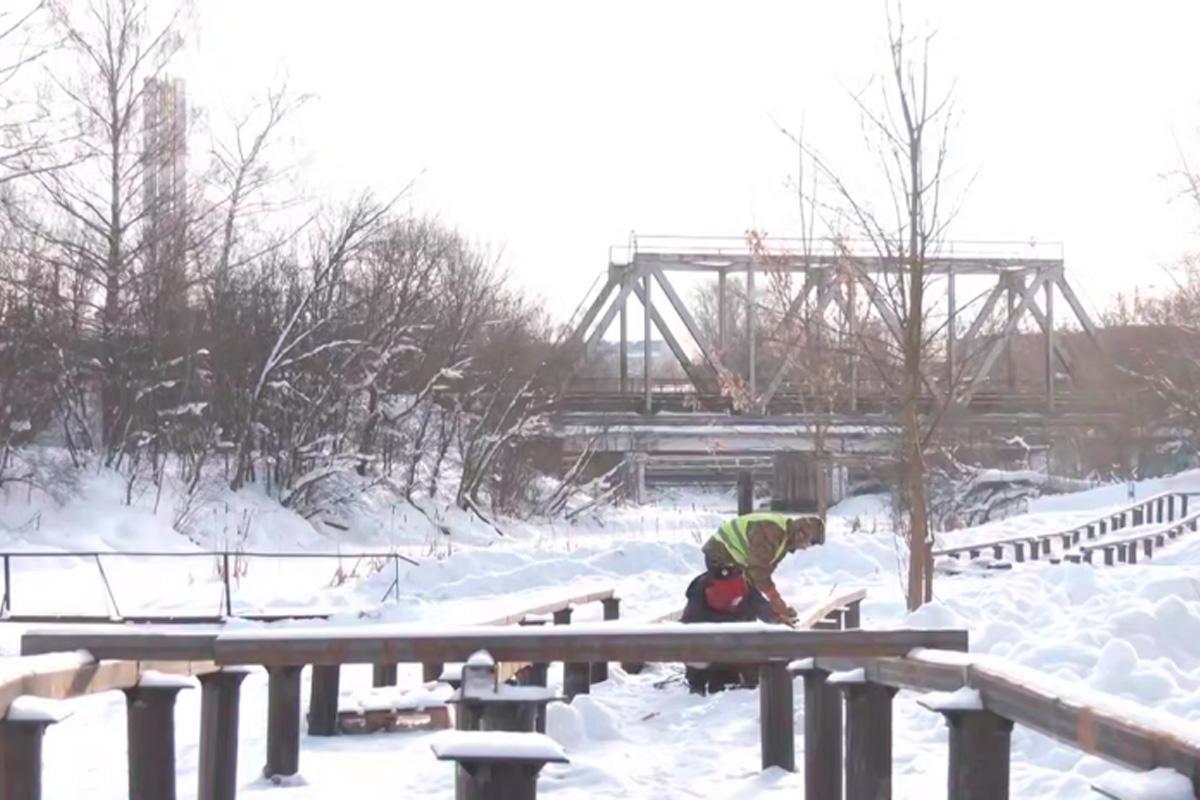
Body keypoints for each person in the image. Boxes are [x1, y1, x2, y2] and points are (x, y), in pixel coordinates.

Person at [680, 512, 824, 694]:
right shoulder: (772, 531)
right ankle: (725, 667)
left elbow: (761, 575)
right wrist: (775, 602)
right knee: (735, 601)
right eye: (809, 543)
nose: (805, 548)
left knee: (745, 599)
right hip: (722, 554)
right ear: (801, 533)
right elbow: (757, 574)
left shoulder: (783, 541)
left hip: (733, 560)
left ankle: (734, 666)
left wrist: (775, 609)